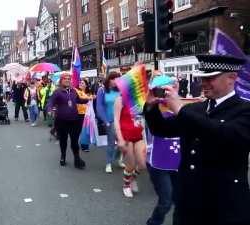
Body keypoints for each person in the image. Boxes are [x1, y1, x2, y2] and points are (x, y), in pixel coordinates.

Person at [144, 54, 250, 225]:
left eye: (211, 78)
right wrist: (151, 107)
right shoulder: (195, 108)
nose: (204, 82)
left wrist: (180, 108)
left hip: (224, 203)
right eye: (202, 77)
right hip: (189, 201)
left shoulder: (244, 109)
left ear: (232, 77)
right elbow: (162, 130)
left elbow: (224, 134)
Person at [47, 72, 89, 169]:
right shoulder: (57, 92)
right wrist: (49, 109)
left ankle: (77, 159)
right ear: (61, 81)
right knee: (63, 140)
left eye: (69, 79)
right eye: (65, 79)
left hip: (74, 120)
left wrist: (88, 99)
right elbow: (51, 102)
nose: (67, 80)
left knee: (74, 141)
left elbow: (79, 100)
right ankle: (63, 156)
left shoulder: (74, 91)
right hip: (61, 121)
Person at [114, 77, 146, 198]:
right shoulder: (120, 99)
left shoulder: (139, 100)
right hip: (125, 135)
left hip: (138, 134)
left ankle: (132, 178)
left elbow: (140, 118)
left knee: (143, 164)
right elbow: (116, 120)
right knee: (131, 164)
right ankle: (126, 185)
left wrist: (143, 134)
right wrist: (120, 139)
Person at [96, 72, 121, 173]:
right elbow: (99, 107)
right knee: (111, 143)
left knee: (123, 143)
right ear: (109, 79)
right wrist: (105, 120)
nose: (116, 81)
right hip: (110, 121)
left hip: (121, 120)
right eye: (114, 79)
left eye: (118, 79)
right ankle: (108, 163)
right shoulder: (101, 90)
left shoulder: (120, 90)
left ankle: (118, 158)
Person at [76, 79, 93, 151]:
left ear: (86, 85)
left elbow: (91, 102)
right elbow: (79, 99)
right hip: (78, 113)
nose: (81, 84)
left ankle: (85, 145)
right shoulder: (77, 91)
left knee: (86, 130)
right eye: (80, 83)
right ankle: (78, 143)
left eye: (82, 83)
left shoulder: (89, 93)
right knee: (79, 130)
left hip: (87, 114)